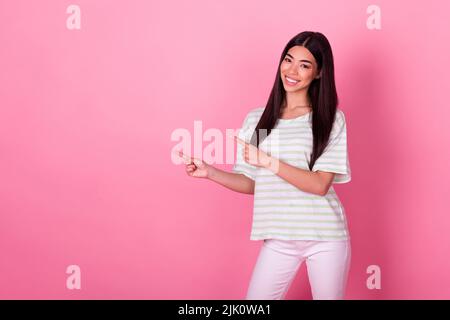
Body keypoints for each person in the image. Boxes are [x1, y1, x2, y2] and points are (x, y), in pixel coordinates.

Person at [177, 31, 351, 300]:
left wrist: (268, 161)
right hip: (278, 238)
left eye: (304, 65)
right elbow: (251, 182)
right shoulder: (258, 120)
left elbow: (319, 185)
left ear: (318, 74)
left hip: (325, 237)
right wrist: (210, 172)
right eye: (288, 60)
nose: (292, 71)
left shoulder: (330, 120)